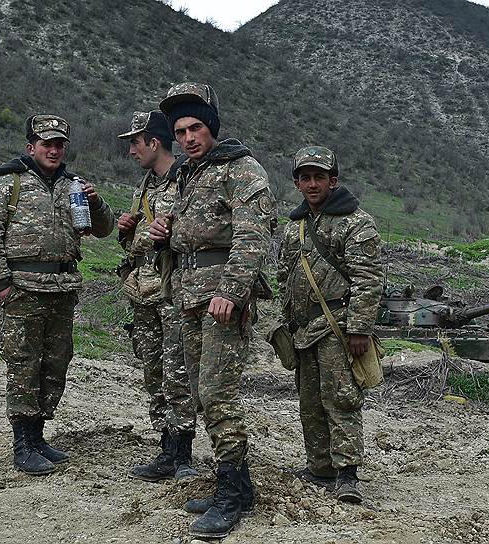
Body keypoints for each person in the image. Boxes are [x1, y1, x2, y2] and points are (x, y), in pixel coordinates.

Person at [148, 83, 275, 539]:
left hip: (221, 301)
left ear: (212, 127)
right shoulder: (190, 173)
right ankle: (236, 486)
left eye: (196, 128)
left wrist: (233, 291)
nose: (187, 138)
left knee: (219, 396)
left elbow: (252, 236)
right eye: (180, 131)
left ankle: (232, 496)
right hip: (189, 297)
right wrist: (167, 234)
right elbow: (199, 232)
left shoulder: (241, 169)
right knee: (202, 395)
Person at [0, 114, 114, 476]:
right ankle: (23, 444)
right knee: (23, 364)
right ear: (31, 147)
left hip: (62, 289)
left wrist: (96, 202)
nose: (53, 150)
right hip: (22, 289)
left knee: (55, 364)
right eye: (46, 144)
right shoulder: (5, 182)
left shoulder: (72, 186)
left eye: (59, 144)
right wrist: (0, 284)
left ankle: (37, 437)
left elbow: (104, 229)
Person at [276, 145, 383, 503]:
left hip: (337, 326)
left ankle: (347, 473)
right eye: (305, 178)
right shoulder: (294, 227)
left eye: (319, 177)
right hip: (303, 330)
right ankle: (320, 466)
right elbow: (284, 276)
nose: (312, 184)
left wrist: (359, 328)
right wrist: (285, 322)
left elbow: (368, 279)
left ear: (332, 180)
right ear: (297, 183)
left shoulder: (357, 222)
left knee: (341, 398)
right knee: (309, 401)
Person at [115, 110, 198, 482]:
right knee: (153, 374)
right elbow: (135, 244)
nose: (131, 150)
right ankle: (166, 449)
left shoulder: (187, 180)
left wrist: (168, 235)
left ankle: (183, 454)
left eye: (136, 142)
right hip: (143, 291)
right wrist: (126, 230)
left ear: (154, 142)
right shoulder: (144, 188)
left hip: (174, 291)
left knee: (178, 373)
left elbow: (199, 234)